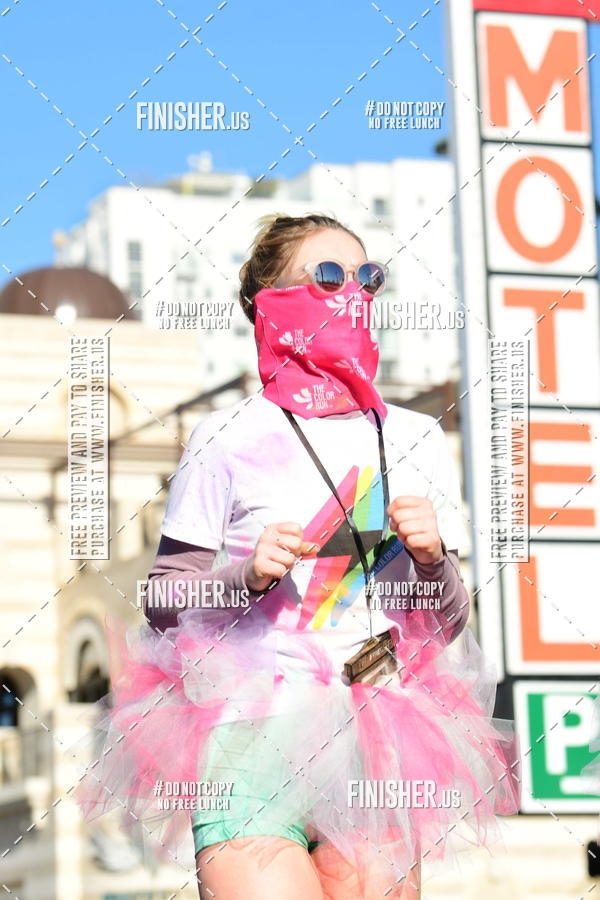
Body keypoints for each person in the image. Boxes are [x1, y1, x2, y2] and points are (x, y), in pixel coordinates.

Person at [74, 213, 521, 899]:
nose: (354, 294)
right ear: (271, 300)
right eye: (330, 277)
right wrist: (244, 577)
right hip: (250, 736)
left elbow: (447, 623)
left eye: (368, 278)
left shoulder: (416, 436)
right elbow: (164, 603)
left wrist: (433, 562)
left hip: (382, 737)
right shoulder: (226, 435)